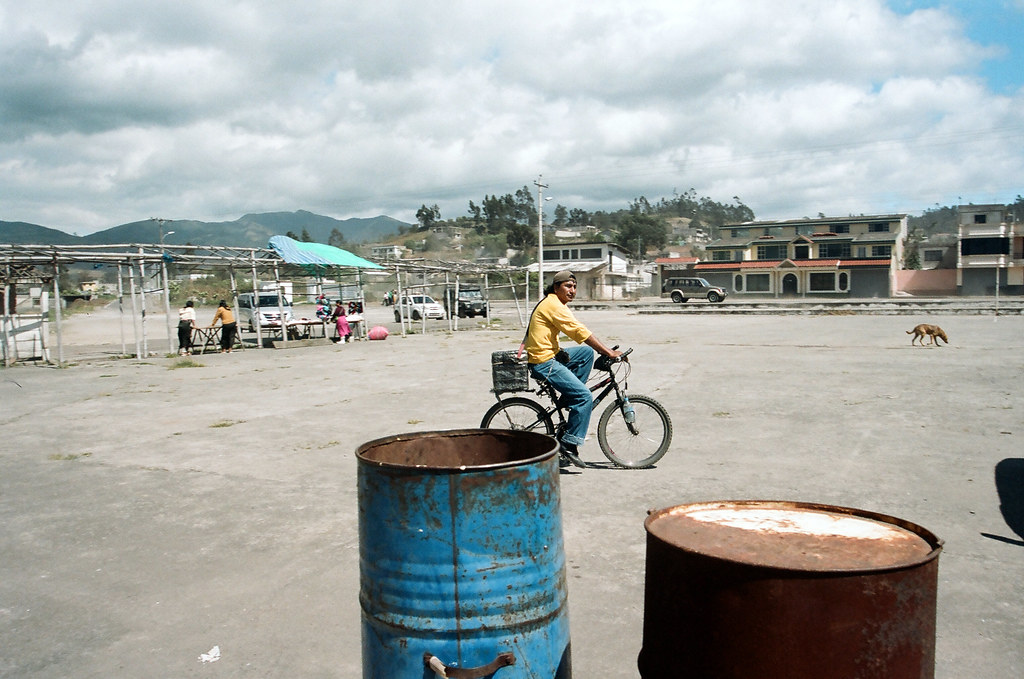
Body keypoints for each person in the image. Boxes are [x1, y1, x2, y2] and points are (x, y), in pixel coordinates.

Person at [524, 270, 622, 467]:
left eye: (575, 287)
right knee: (585, 396)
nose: (572, 290)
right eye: (568, 286)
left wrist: (601, 350)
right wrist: (608, 352)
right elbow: (579, 331)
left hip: (550, 354)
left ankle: (570, 397)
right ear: (556, 287)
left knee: (586, 354)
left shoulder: (554, 303)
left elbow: (577, 332)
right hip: (544, 362)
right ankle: (568, 445)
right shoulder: (553, 305)